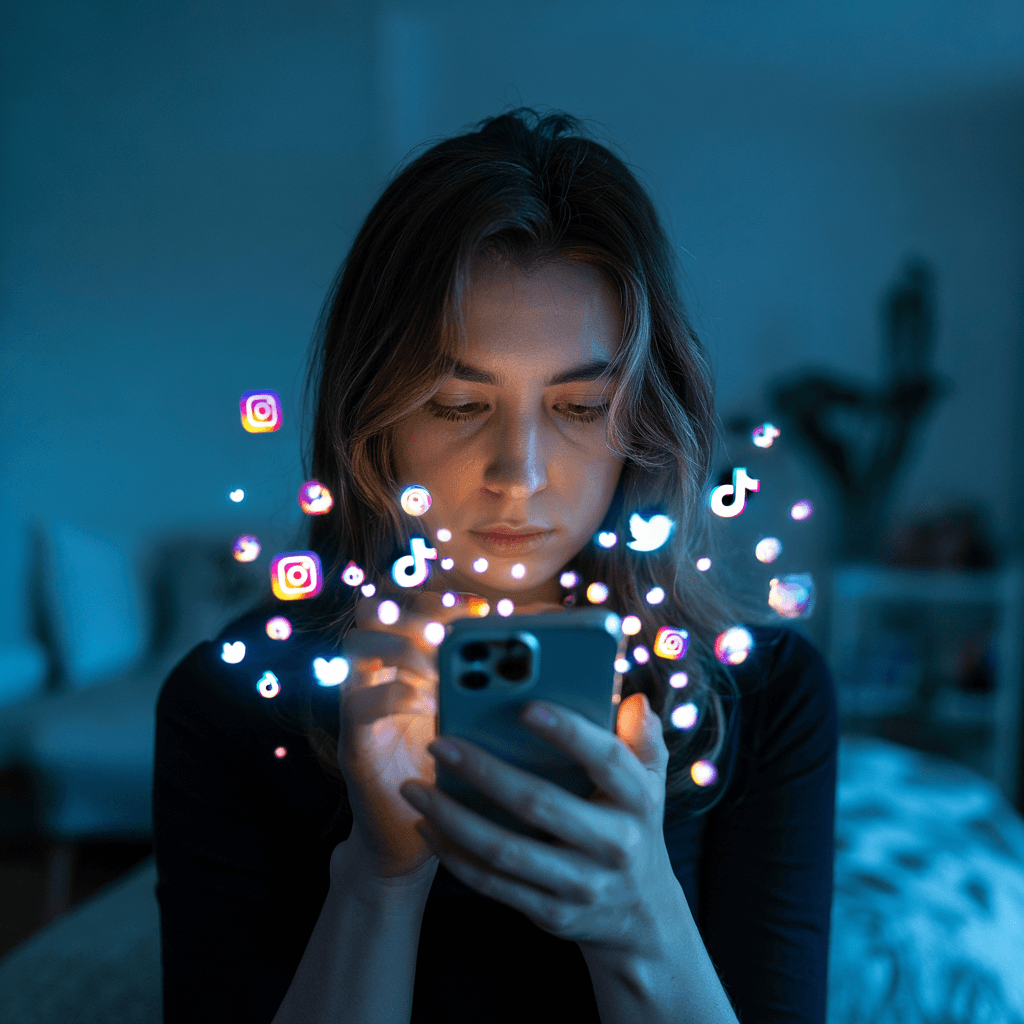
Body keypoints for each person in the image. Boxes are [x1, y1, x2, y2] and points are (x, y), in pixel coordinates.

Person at [153, 108, 838, 1024]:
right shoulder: (228, 708)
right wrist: (377, 881)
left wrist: (639, 917)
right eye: (458, 404)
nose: (518, 473)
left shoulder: (761, 698)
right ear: (375, 424)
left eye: (582, 406)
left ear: (642, 426)